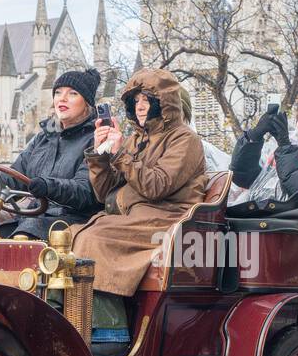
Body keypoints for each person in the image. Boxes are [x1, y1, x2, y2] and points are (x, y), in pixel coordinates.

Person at [71, 68, 207, 340]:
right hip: (134, 217)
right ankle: (71, 319)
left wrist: (120, 153)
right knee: (69, 234)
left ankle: (111, 333)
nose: (140, 106)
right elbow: (105, 193)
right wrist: (100, 156)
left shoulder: (185, 139)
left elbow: (156, 186)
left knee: (95, 239)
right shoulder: (137, 139)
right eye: (136, 101)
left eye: (147, 100)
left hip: (166, 220)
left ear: (164, 103)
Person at [0, 68, 103, 240]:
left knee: (24, 234)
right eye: (58, 93)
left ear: (86, 103)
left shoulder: (96, 139)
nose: (62, 98)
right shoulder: (44, 138)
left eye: (72, 93)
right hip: (36, 216)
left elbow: (84, 191)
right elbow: (13, 180)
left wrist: (48, 186)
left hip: (74, 219)